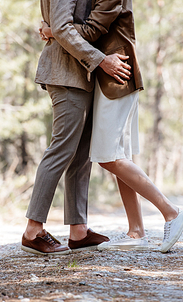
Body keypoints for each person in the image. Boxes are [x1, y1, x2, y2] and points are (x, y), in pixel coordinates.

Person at [40, 0, 183, 253]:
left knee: (109, 157)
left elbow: (90, 31)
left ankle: (171, 212)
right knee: (119, 155)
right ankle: (136, 231)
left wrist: (54, 30)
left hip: (117, 76)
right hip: (109, 78)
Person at [21, 0, 133, 255]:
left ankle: (78, 230)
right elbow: (61, 27)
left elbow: (63, 27)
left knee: (81, 155)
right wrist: (101, 60)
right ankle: (32, 230)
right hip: (66, 73)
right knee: (61, 150)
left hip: (80, 74)